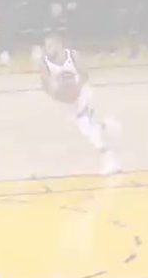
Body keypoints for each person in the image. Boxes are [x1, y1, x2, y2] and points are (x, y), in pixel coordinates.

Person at [39, 34, 122, 175]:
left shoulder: (73, 55)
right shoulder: (44, 63)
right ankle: (106, 125)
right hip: (65, 100)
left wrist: (76, 90)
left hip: (82, 91)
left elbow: (84, 75)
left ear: (59, 45)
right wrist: (59, 96)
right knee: (86, 126)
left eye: (51, 46)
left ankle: (111, 162)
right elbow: (46, 86)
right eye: (46, 46)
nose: (48, 49)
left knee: (86, 127)